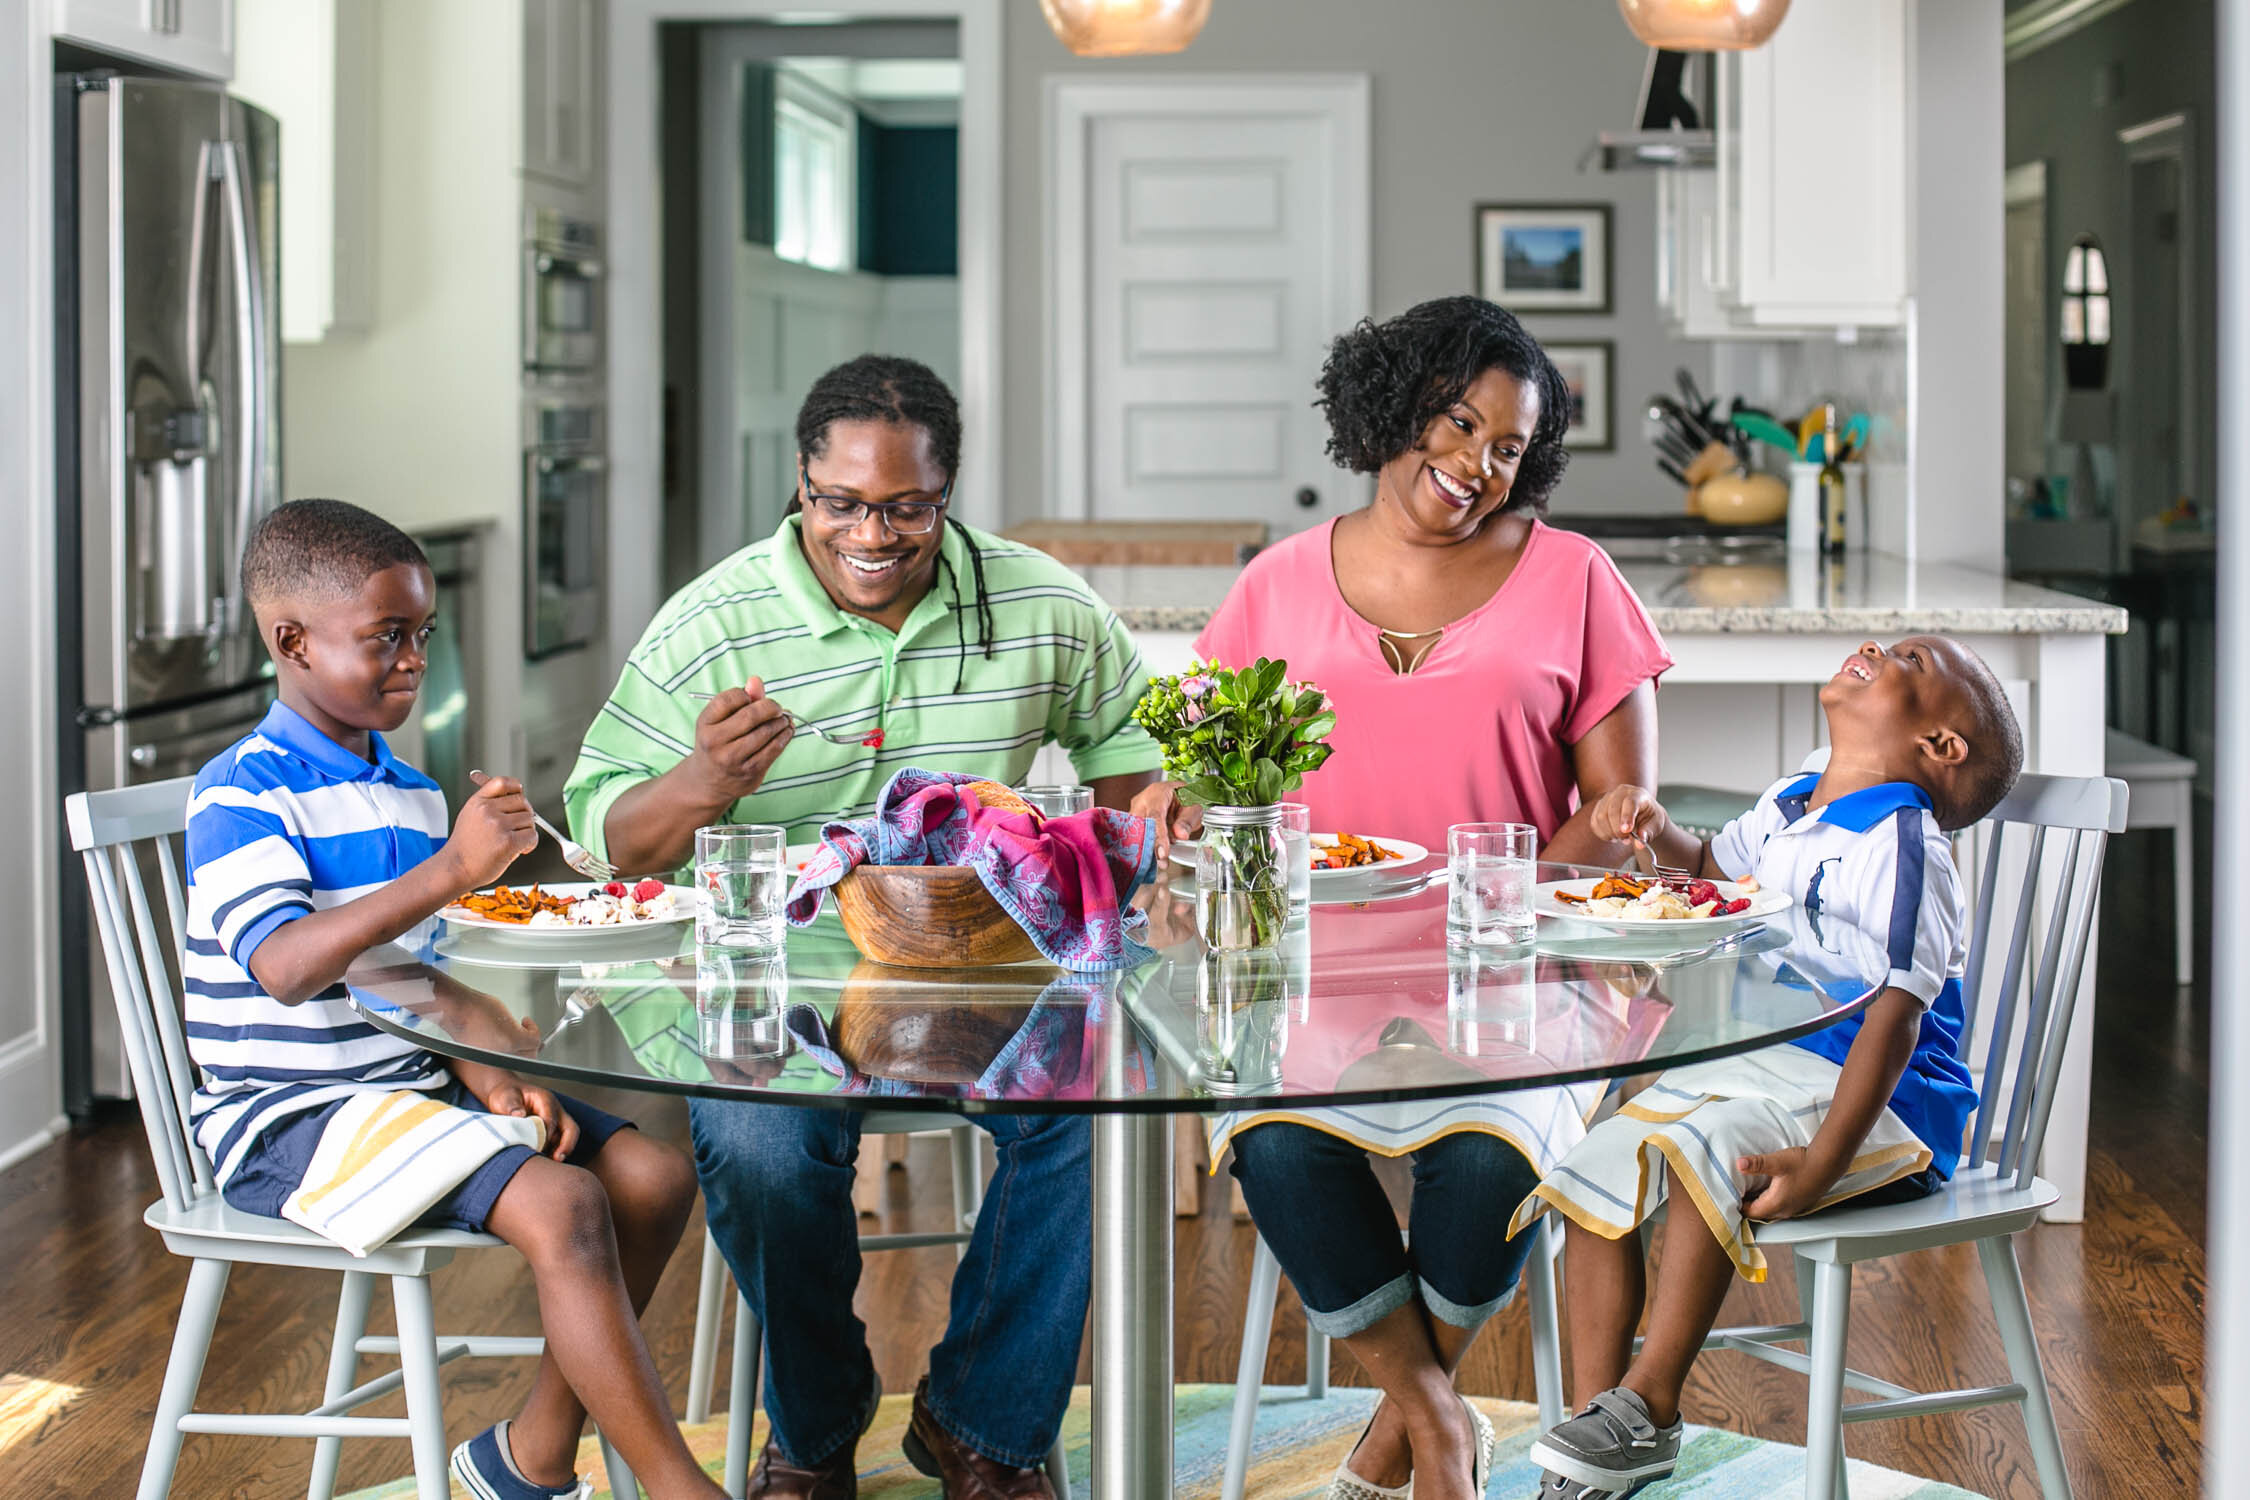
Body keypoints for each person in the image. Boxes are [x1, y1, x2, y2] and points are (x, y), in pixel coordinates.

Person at [566, 355, 1161, 1500]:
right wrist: (702, 780)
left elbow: (1131, 767)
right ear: (801, 486)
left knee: (1105, 1119)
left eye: (906, 507)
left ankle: (980, 1427)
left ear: (947, 493)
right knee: (759, 1144)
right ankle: (817, 1428)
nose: (872, 534)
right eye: (840, 502)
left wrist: (1148, 821)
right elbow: (608, 837)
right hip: (770, 985)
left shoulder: (1038, 602)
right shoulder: (715, 620)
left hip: (985, 978)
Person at [1133, 297, 1674, 1500]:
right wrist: (1179, 804)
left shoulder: (1574, 577)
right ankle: (1438, 1421)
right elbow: (1204, 778)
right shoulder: (1274, 585)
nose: (1476, 464)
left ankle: (1390, 1440)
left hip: (1517, 967)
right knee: (1269, 1140)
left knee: (1490, 1167)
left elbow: (1616, 814)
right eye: (1457, 420)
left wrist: (1603, 829)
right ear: (1394, 403)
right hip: (1309, 969)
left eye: (1508, 447)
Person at [183, 500, 721, 1500]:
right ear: (290, 641)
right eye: (387, 637)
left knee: (650, 1174)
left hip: (406, 1086)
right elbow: (290, 969)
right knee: (565, 1204)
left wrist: (480, 1045)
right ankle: (681, 1489)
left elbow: (398, 972)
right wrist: (447, 872)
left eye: (423, 635)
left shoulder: (414, 791)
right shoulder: (243, 795)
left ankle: (532, 1460)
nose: (413, 660)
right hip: (286, 1114)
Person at [1519, 635, 2022, 1498]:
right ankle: (1593, 1425)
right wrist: (1653, 824)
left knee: (1698, 1151)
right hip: (1777, 1067)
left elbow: (1896, 1022)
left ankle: (1648, 1407)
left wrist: (1827, 1160)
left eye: (1911, 660)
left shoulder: (1904, 846)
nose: (1877, 648)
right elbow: (1715, 868)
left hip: (1891, 1110)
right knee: (1594, 1159)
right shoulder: (1799, 794)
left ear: (1940, 746)